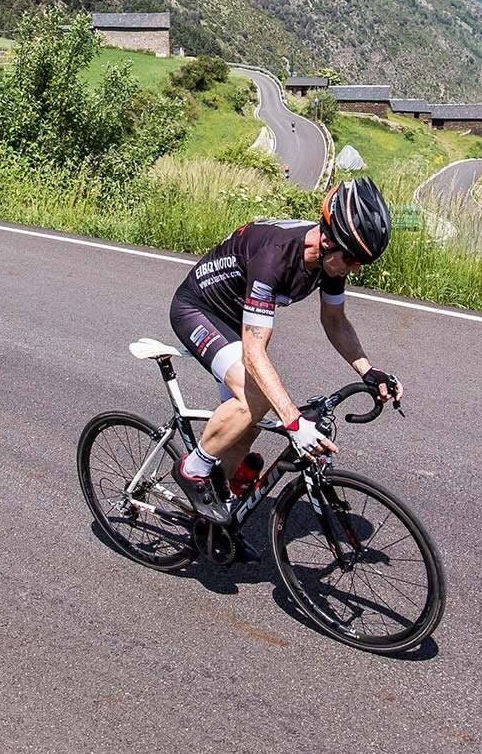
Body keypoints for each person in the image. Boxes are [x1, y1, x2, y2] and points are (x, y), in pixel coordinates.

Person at [167, 177, 403, 522]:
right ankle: (193, 469)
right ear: (327, 238)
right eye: (353, 260)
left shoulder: (331, 258)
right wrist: (293, 422)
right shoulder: (275, 257)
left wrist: (369, 370)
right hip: (199, 310)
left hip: (238, 318)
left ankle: (216, 511)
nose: (355, 269)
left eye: (361, 263)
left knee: (247, 424)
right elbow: (253, 351)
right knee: (257, 399)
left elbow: (334, 320)